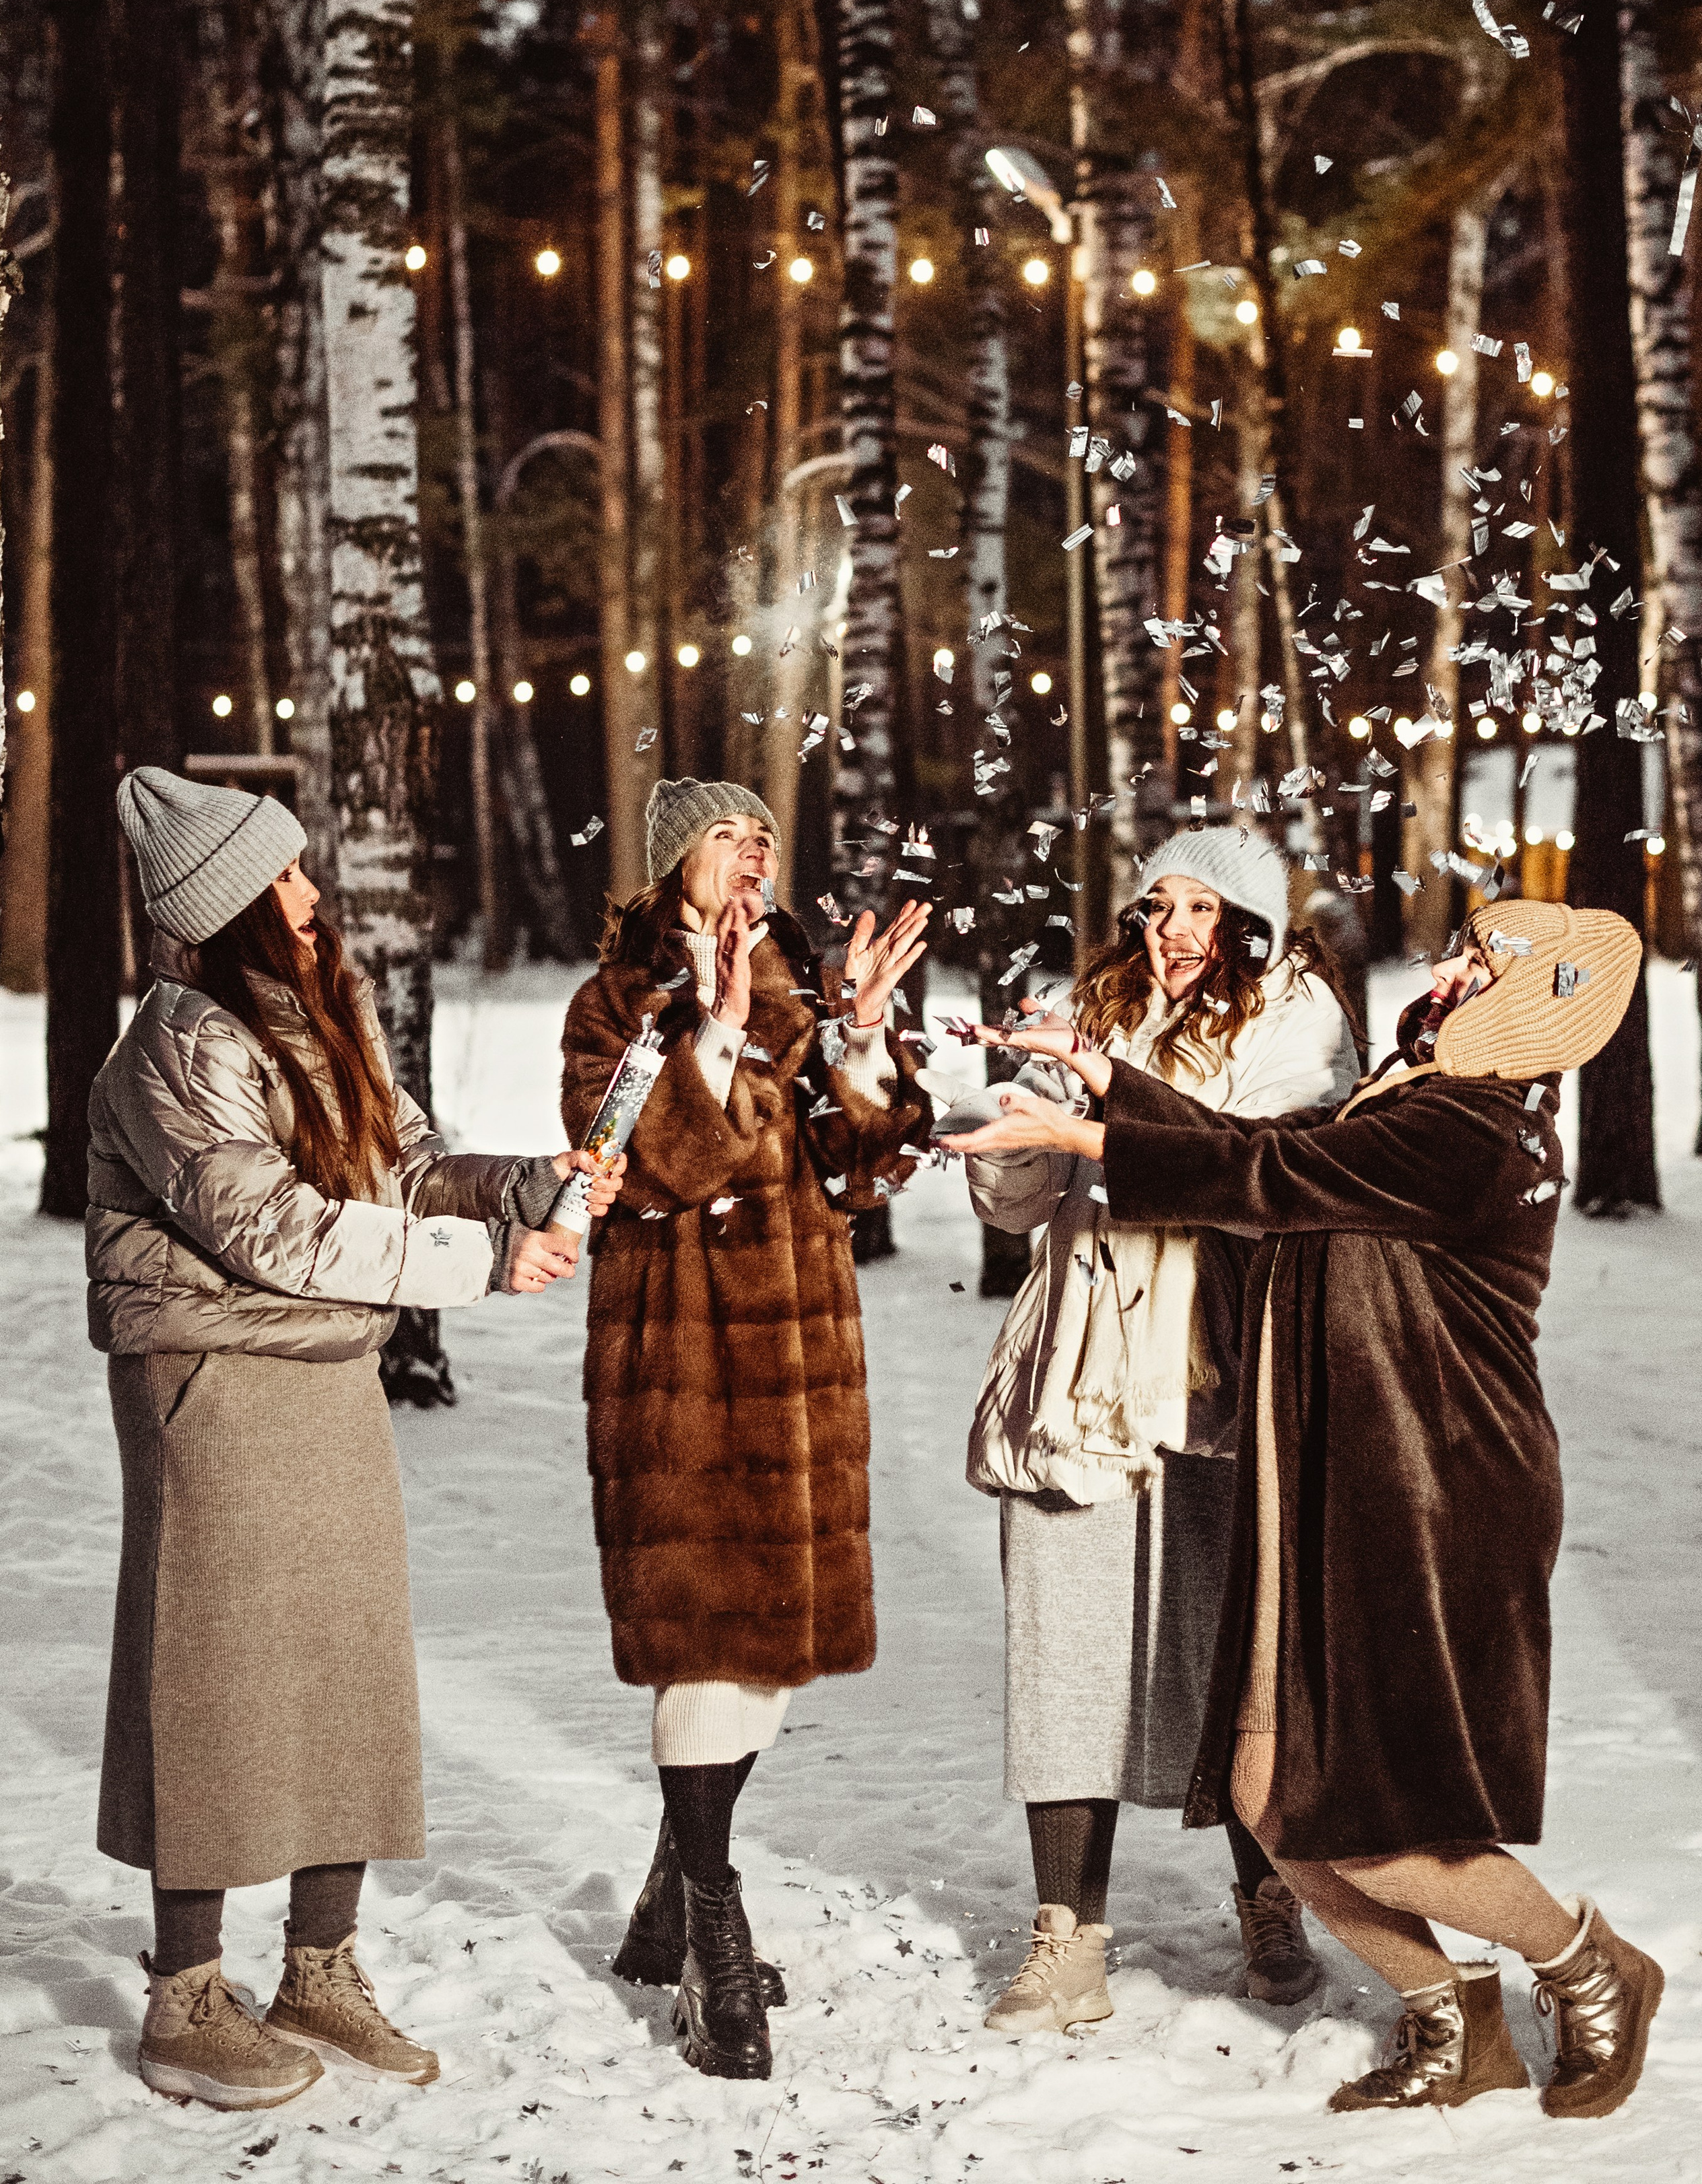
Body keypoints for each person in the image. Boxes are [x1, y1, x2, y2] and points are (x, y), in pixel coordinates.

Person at [949, 895, 1664, 2121]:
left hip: (1435, 1495)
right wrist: (1109, 1079)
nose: (1442, 967)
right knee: (1269, 1794)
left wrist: (1096, 1128)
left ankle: (1590, 1963)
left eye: (1474, 959)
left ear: (1517, 999)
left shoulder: (1471, 1125)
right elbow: (1264, 1144)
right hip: (1341, 1479)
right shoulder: (1411, 1099)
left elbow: (1269, 1168)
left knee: (1380, 1818)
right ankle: (1458, 2024)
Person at [92, 767, 621, 2113]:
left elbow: (400, 1170)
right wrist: (481, 1261)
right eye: (286, 877)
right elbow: (267, 1228)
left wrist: (526, 1187)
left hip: (325, 1369)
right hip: (210, 1376)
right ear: (232, 905)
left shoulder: (317, 1021)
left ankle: (318, 1966)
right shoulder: (178, 1043)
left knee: (345, 1669)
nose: (312, 893)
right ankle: (185, 1994)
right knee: (209, 1677)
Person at [947, 830, 1359, 2032]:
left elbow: (1259, 1166)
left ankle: (1269, 1898)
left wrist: (1103, 1108)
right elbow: (1028, 1200)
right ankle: (1067, 1938)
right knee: (1064, 1650)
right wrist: (1018, 1130)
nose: (1170, 930)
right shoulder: (1102, 1009)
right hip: (1081, 1371)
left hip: (1224, 1373)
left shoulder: (1302, 1020)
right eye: (1155, 907)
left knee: (1230, 1658)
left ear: (1255, 925)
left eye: (1199, 908)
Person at [561, 777, 933, 2082]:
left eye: (765, 831)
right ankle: (715, 1936)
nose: (755, 848)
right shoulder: (617, 1000)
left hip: (804, 1363)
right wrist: (708, 1039)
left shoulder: (800, 995)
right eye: (728, 833)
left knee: (768, 1649)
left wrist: (865, 1041)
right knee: (704, 1644)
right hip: (685, 1362)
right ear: (673, 870)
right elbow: (636, 1161)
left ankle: (671, 1893)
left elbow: (865, 1169)